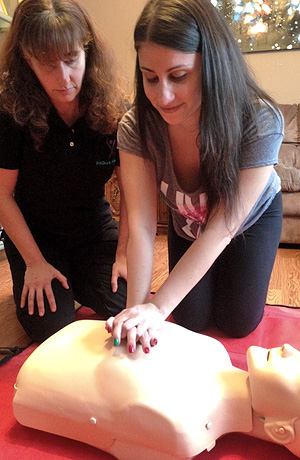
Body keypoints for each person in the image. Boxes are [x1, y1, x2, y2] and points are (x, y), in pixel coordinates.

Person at [106, 0, 284, 353]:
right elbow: (141, 225)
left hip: (246, 225)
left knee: (237, 322)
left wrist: (158, 308)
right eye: (150, 78)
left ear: (212, 65)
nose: (163, 96)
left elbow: (223, 227)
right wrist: (137, 312)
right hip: (187, 222)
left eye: (179, 76)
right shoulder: (135, 127)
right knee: (190, 319)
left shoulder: (260, 120)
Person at [0, 0, 128, 342]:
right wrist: (34, 262)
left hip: (94, 231)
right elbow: (2, 195)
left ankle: (79, 278)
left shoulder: (114, 110)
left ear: (87, 50)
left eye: (72, 60)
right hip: (35, 236)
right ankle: (63, 278)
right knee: (50, 324)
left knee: (126, 300)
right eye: (47, 65)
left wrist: (125, 252)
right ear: (27, 61)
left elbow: (132, 191)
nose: (64, 78)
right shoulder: (11, 114)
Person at [13, 319, 300, 460]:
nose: (290, 349)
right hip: (69, 348)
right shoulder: (214, 352)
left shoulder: (183, 426)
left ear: (280, 430)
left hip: (47, 374)